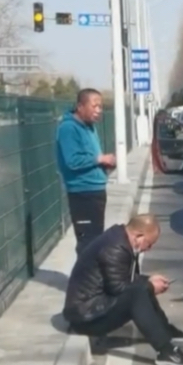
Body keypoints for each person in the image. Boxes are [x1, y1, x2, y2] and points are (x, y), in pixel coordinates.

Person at [62, 214, 183, 365]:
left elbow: (122, 278)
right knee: (137, 294)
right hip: (86, 318)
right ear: (138, 236)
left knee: (141, 289)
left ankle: (165, 331)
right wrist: (150, 286)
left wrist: (149, 280)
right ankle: (167, 351)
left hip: (92, 307)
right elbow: (119, 289)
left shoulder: (120, 239)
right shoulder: (115, 248)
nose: (149, 248)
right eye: (149, 244)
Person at [56, 88, 116, 254]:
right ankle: (82, 279)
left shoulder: (90, 127)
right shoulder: (68, 128)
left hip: (95, 190)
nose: (98, 110)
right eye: (94, 106)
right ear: (80, 107)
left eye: (101, 107)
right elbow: (72, 161)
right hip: (82, 193)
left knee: (95, 241)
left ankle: (91, 278)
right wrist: (99, 159)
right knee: (87, 242)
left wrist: (105, 164)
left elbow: (91, 156)